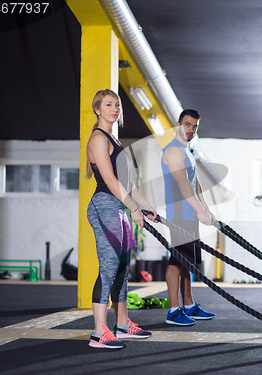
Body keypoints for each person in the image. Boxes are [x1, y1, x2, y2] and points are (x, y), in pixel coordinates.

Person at [86, 88, 157, 349]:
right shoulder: (97, 138)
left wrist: (147, 208)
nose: (114, 109)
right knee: (108, 267)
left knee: (122, 269)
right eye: (108, 105)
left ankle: (123, 325)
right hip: (104, 206)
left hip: (119, 208)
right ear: (97, 109)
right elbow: (110, 180)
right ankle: (98, 333)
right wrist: (134, 209)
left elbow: (128, 183)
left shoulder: (114, 140)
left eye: (117, 105)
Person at [162, 109, 216, 326]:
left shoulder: (187, 150)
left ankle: (189, 305)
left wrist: (206, 209)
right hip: (178, 214)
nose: (191, 130)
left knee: (187, 263)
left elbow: (196, 184)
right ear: (178, 124)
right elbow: (184, 185)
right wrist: (200, 211)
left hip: (190, 213)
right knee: (176, 262)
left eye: (194, 126)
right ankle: (174, 310)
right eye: (187, 125)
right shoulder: (174, 151)